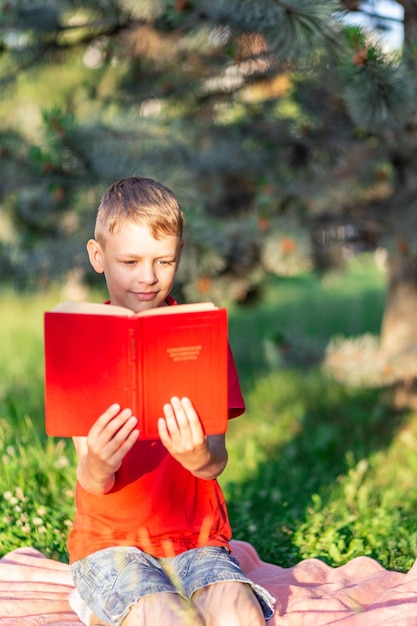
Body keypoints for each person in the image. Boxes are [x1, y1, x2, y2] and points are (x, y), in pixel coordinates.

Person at [67, 176, 275, 626]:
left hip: (196, 541)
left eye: (164, 260)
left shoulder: (201, 339)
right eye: (130, 261)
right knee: (171, 619)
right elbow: (90, 476)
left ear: (179, 255)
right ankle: (105, 601)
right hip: (111, 545)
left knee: (242, 617)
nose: (148, 277)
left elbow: (214, 462)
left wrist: (197, 453)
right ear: (97, 256)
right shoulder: (83, 344)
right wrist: (101, 463)